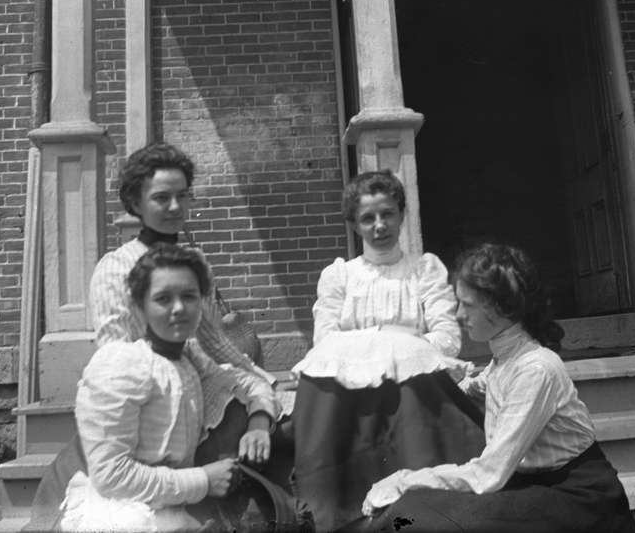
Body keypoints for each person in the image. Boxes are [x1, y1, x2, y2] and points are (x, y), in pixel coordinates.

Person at [356, 243, 635, 533]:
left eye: (467, 304)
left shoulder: (536, 369)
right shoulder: (505, 361)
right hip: (531, 484)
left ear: (501, 306)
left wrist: (403, 479)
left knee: (414, 519)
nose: (458, 315)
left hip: (577, 499)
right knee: (410, 512)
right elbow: (479, 386)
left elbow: (488, 475)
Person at [290, 170, 486, 531]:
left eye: (388, 214)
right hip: (351, 398)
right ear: (354, 225)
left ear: (401, 214)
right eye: (368, 218)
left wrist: (392, 347)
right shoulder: (340, 277)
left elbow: (447, 338)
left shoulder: (424, 270)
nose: (379, 225)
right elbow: (325, 342)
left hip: (412, 392)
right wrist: (383, 343)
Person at [59, 243, 280, 532]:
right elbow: (112, 477)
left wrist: (259, 422)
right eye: (163, 299)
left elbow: (250, 383)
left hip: (174, 506)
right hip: (126, 516)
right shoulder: (120, 365)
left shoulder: (189, 358)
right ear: (140, 306)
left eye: (189, 296)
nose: (179, 308)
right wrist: (202, 480)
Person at [89, 142, 260, 373]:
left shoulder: (194, 262)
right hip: (141, 390)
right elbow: (114, 355)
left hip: (193, 381)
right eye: (161, 198)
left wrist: (262, 378)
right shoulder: (116, 268)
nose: (175, 207)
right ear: (136, 203)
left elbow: (212, 340)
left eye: (182, 195)